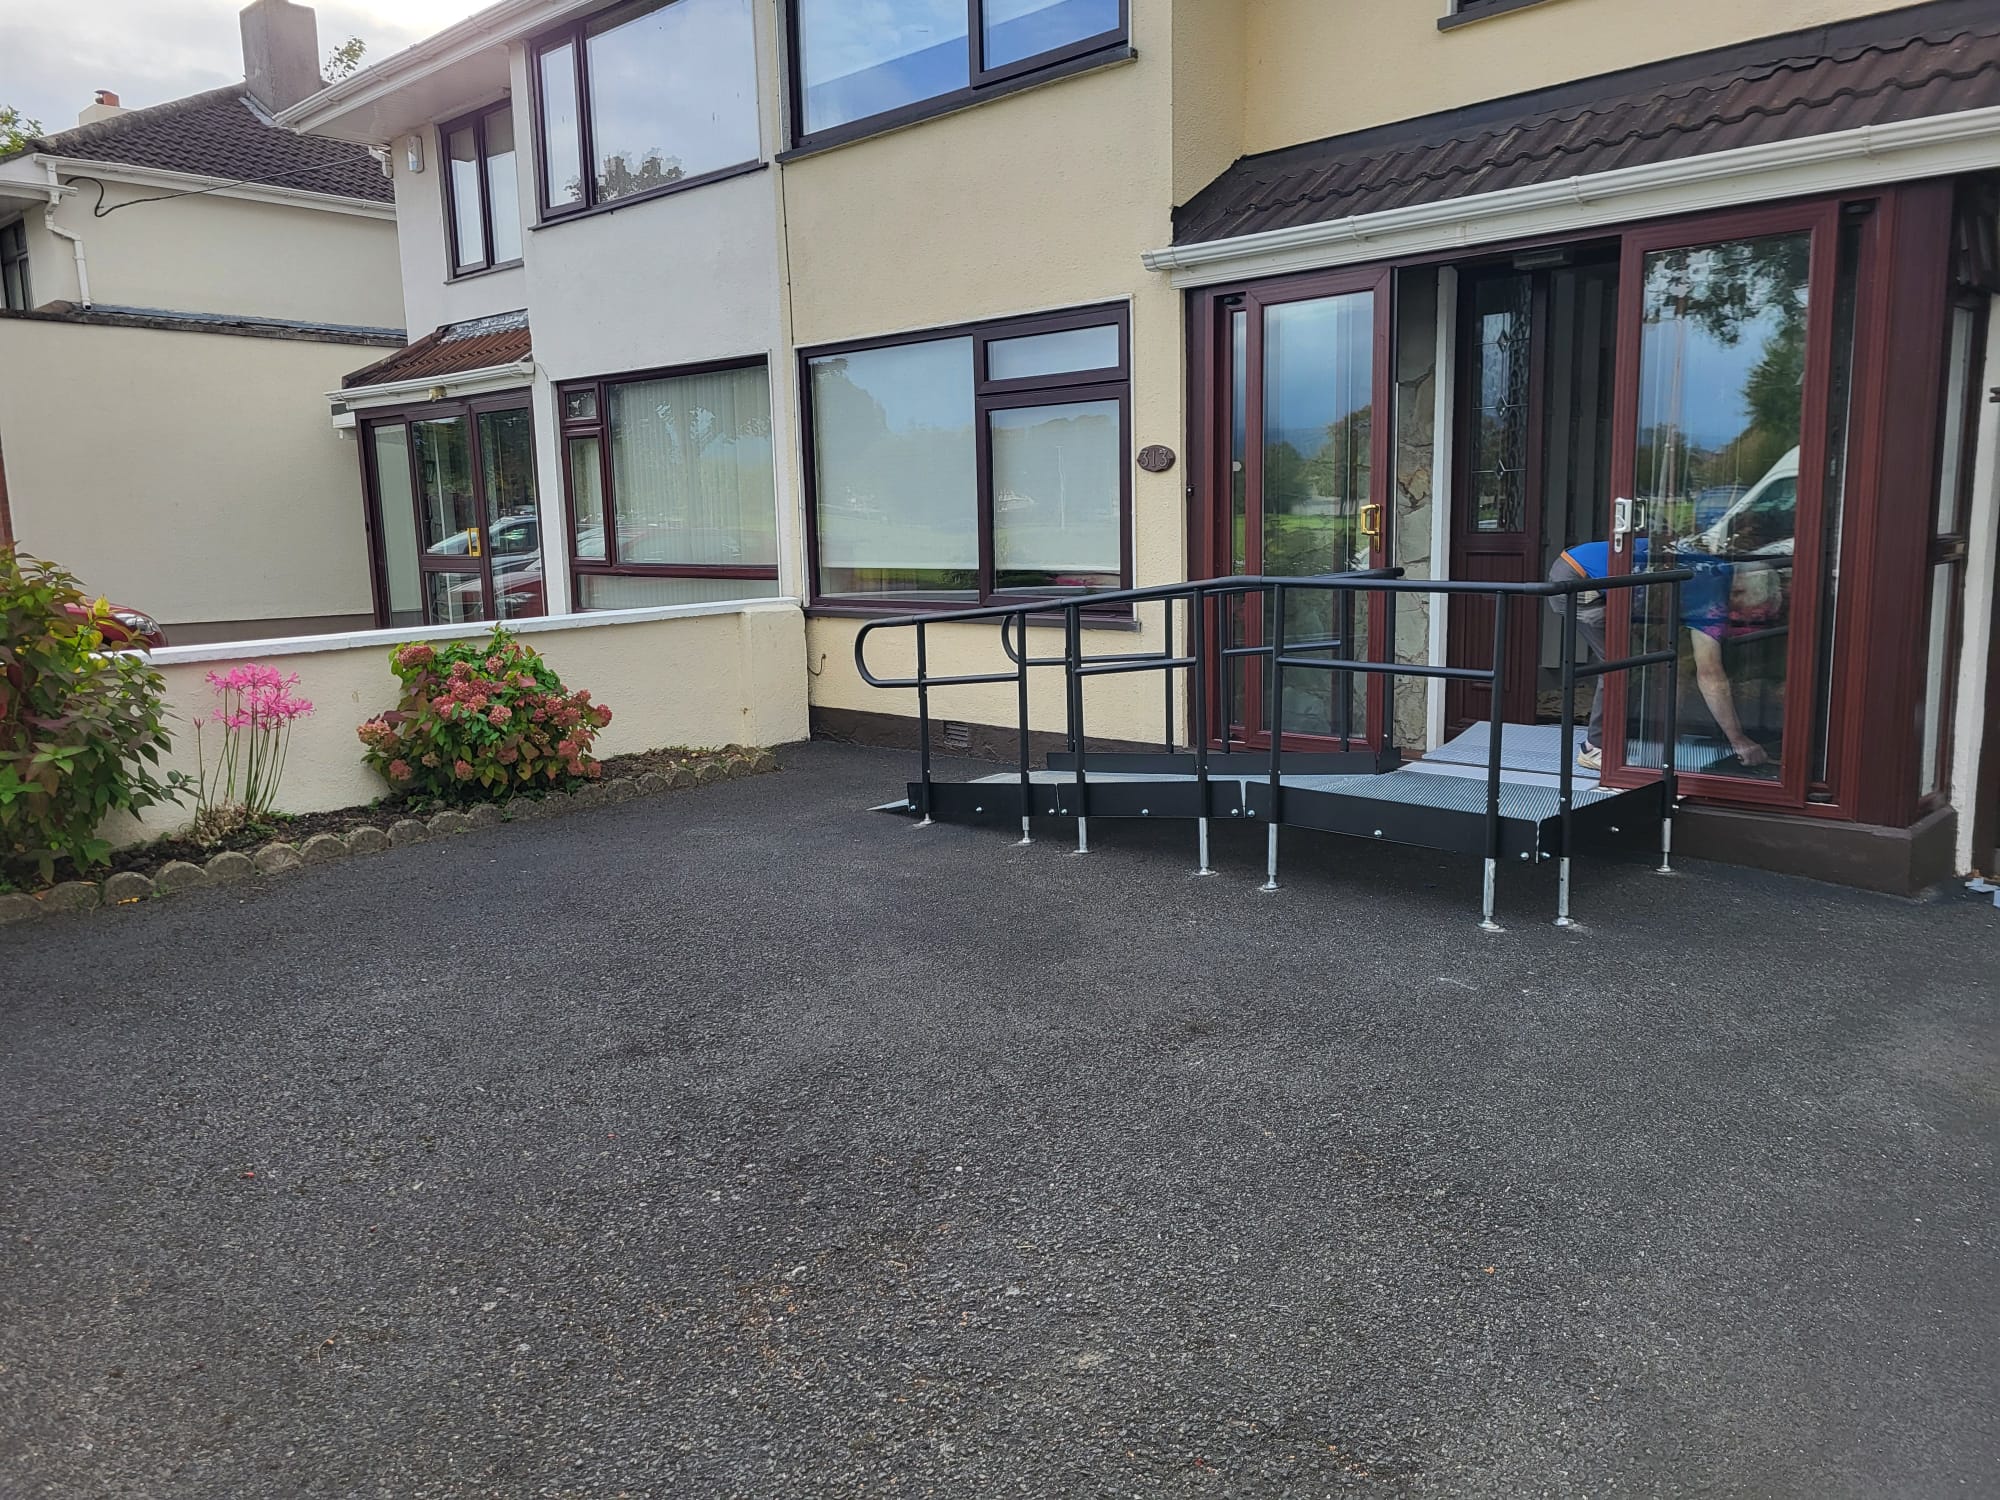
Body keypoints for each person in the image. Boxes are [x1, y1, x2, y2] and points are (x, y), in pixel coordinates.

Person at [1550, 539, 1771, 773]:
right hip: (1581, 577)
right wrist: (1738, 740)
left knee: (1651, 659)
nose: (1738, 617)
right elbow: (1710, 675)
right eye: (1742, 610)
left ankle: (1648, 735)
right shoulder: (1712, 595)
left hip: (1589, 568)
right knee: (1621, 664)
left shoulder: (1718, 568)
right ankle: (1595, 747)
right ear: (1738, 591)